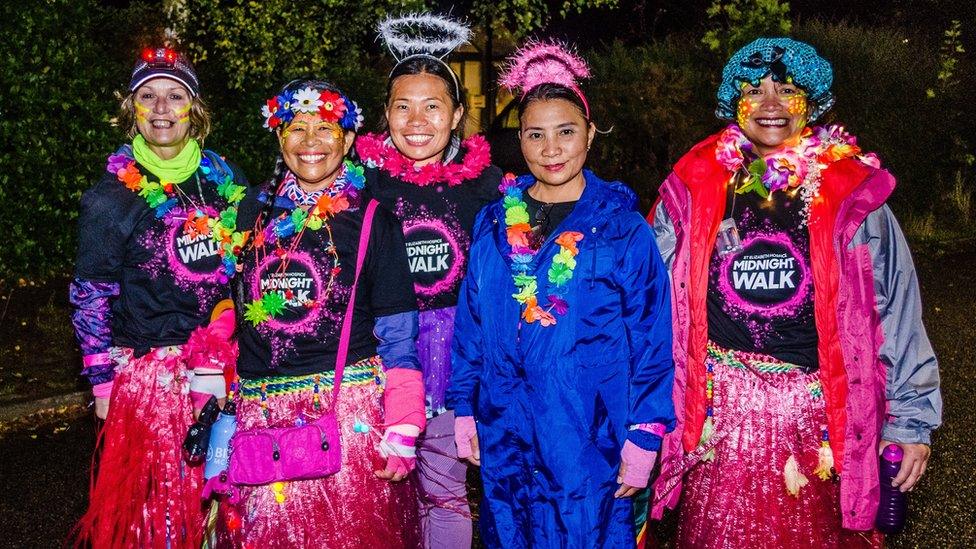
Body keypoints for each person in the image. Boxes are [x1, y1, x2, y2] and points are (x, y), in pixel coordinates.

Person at [649, 38, 942, 547]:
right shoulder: (697, 186)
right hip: (720, 418)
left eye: (786, 89)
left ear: (812, 101)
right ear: (731, 101)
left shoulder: (853, 193)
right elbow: (645, 296)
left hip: (820, 417)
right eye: (753, 90)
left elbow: (897, 311)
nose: (769, 104)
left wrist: (910, 422)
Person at [446, 42, 676, 548]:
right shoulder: (494, 220)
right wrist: (464, 404)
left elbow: (654, 340)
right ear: (521, 140)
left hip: (590, 441)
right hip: (505, 437)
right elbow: (472, 325)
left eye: (566, 132)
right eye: (536, 134)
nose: (552, 149)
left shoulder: (621, 229)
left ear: (590, 134)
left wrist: (644, 434)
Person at [218, 78, 424, 547]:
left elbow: (398, 330)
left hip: (346, 417)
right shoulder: (248, 210)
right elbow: (226, 300)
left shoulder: (372, 217)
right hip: (261, 414)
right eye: (296, 128)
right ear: (278, 136)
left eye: (326, 128)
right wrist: (211, 370)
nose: (310, 142)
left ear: (349, 139)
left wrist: (405, 421)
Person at [70, 47, 246, 547]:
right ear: (133, 110)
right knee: (162, 513)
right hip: (151, 379)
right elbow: (91, 296)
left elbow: (246, 270)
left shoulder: (223, 180)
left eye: (176, 95)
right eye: (148, 97)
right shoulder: (110, 198)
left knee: (221, 505)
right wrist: (103, 384)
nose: (162, 108)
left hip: (223, 369)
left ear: (195, 109)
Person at [356, 14, 502, 548]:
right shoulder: (357, 185)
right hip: (376, 364)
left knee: (443, 493)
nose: (417, 120)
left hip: (455, 365)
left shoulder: (488, 187)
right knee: (380, 493)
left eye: (433, 105)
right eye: (403, 106)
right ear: (385, 115)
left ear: (458, 114)